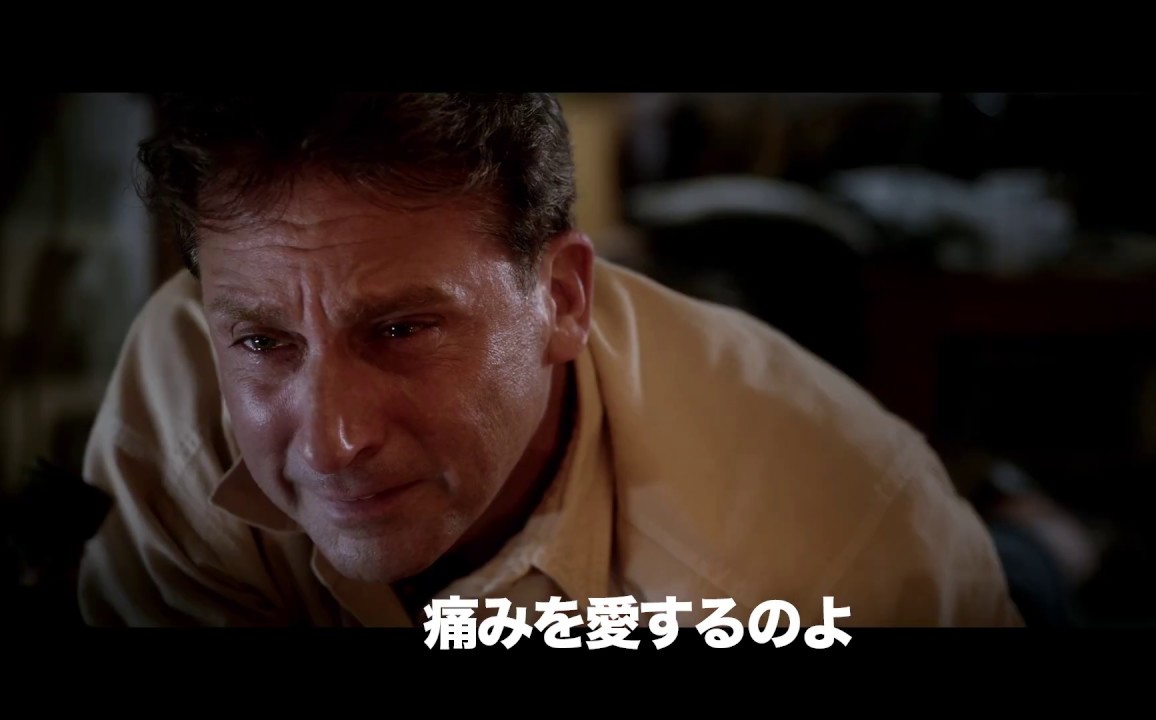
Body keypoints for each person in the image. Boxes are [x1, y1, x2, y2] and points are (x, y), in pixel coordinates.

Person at [77, 93, 1022, 629]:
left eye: (403, 330)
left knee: (1035, 565)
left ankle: (1031, 518)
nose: (331, 443)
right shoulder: (178, 382)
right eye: (264, 343)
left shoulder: (829, 562)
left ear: (563, 299)